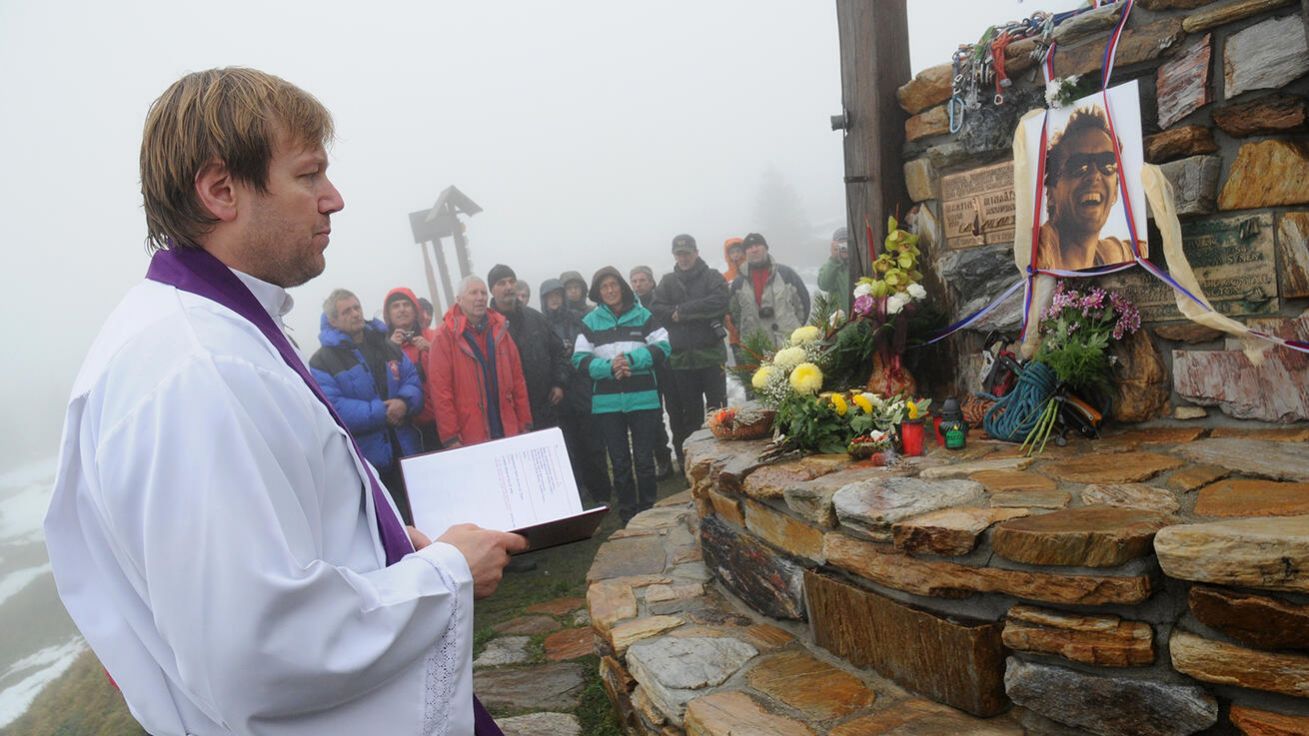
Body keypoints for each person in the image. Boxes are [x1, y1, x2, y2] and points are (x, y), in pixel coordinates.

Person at [44, 67, 525, 735]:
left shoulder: (209, 333)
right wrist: (446, 573)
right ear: (220, 190)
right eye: (308, 175)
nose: (334, 199)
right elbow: (253, 647)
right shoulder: (194, 369)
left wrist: (381, 544)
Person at [311, 289, 423, 524]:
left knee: (423, 517)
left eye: (357, 307)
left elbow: (412, 379)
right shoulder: (322, 361)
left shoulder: (387, 345)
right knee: (394, 526)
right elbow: (336, 409)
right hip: (370, 462)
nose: (355, 314)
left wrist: (404, 402)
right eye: (346, 311)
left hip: (406, 450)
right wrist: (383, 412)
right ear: (333, 320)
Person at [573, 267, 670, 523]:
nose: (610, 290)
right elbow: (579, 359)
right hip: (607, 404)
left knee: (644, 459)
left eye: (613, 284)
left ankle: (649, 510)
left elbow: (664, 345)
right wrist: (608, 368)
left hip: (643, 398)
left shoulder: (643, 315)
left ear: (622, 287)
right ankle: (628, 513)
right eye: (604, 287)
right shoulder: (590, 322)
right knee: (619, 462)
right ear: (598, 292)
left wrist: (630, 361)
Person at [650, 234, 730, 471]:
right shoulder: (667, 282)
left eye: (687, 252)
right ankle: (699, 467)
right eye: (679, 254)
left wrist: (682, 312)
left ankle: (725, 460)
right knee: (691, 416)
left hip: (711, 356)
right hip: (681, 361)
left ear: (696, 252)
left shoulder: (712, 276)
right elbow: (657, 309)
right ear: (674, 255)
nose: (683, 258)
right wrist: (698, 311)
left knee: (720, 411)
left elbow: (719, 302)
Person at [430, 275, 533, 448]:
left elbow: (518, 382)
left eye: (483, 293)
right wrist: (451, 438)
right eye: (473, 293)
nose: (480, 298)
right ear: (459, 300)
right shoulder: (443, 338)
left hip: (508, 430)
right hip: (470, 435)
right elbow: (441, 393)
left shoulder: (501, 332)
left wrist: (525, 424)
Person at [1037, 106, 1137, 271]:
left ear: (1116, 191)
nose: (1094, 175)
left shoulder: (1112, 254)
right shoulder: (1040, 250)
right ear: (1051, 193)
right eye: (1078, 165)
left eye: (1107, 164)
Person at [541, 278, 614, 505]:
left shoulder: (578, 320)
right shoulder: (541, 325)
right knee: (567, 446)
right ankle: (577, 492)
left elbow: (590, 349)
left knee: (593, 443)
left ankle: (602, 491)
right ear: (544, 300)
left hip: (582, 388)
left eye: (557, 295)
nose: (554, 299)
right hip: (557, 394)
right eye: (549, 296)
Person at [488, 264, 568, 431]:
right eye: (501, 283)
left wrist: (559, 383)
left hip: (544, 406)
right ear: (492, 289)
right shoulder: (486, 326)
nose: (508, 287)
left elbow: (558, 352)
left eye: (511, 281)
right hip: (507, 412)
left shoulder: (537, 319)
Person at [630, 265, 676, 479]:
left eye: (642, 280)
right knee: (654, 417)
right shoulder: (630, 306)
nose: (638, 285)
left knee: (677, 412)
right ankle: (663, 460)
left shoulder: (662, 300)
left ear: (651, 282)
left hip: (669, 365)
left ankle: (684, 457)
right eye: (634, 281)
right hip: (647, 368)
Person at [729, 232, 811, 349]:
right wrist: (746, 331)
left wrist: (793, 327)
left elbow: (803, 304)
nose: (754, 250)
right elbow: (734, 313)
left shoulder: (786, 274)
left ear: (766, 248)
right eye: (749, 247)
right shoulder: (739, 283)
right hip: (756, 350)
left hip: (789, 346)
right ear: (745, 253)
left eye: (758, 245)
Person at [382, 286, 439, 451]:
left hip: (439, 422)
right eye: (396, 306)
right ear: (388, 314)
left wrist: (432, 349)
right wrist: (390, 348)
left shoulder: (435, 337)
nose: (401, 310)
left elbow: (455, 372)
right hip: (406, 427)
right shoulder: (382, 347)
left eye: (406, 304)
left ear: (415, 310)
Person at [817, 226, 851, 314]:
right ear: (834, 246)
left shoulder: (858, 265)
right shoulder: (831, 266)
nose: (844, 247)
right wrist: (834, 259)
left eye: (847, 243)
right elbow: (823, 285)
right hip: (838, 319)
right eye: (841, 243)